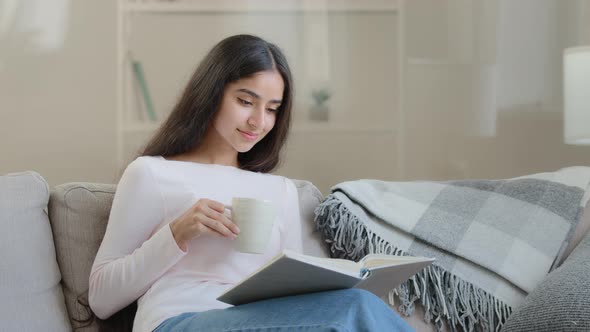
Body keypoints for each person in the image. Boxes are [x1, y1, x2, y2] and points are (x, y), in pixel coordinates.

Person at [88, 34, 412, 332]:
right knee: (357, 308)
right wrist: (177, 233)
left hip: (265, 320)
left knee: (358, 305)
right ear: (212, 93)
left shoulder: (281, 191)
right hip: (180, 320)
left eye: (272, 109)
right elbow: (102, 299)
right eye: (246, 102)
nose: (259, 122)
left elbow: (294, 293)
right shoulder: (151, 174)